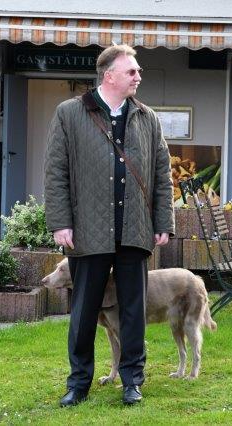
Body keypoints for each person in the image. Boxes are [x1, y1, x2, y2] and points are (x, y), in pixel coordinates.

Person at [44, 44, 175, 407]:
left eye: (138, 71)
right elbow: (55, 173)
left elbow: (162, 174)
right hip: (87, 232)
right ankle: (78, 383)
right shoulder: (69, 113)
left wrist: (163, 221)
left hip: (135, 229)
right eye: (131, 71)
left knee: (134, 310)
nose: (138, 76)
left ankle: (133, 380)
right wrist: (60, 222)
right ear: (109, 75)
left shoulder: (147, 118)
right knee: (84, 311)